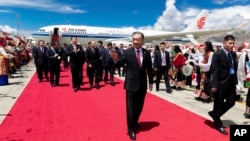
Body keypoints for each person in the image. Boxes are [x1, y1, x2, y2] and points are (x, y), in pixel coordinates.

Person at [111, 31, 153, 141]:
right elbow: (120, 63)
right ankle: (131, 129)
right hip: (131, 84)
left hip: (143, 84)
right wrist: (115, 60)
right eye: (134, 39)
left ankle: (135, 122)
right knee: (130, 108)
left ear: (142, 41)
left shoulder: (147, 53)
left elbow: (149, 68)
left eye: (138, 40)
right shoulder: (127, 52)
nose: (135, 41)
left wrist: (151, 82)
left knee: (139, 106)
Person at [208, 35, 238, 135]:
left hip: (231, 83)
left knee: (231, 102)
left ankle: (215, 114)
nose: (232, 45)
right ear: (224, 43)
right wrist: (214, 85)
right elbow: (215, 71)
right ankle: (218, 124)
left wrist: (236, 82)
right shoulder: (218, 54)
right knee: (218, 104)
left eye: (233, 43)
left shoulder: (233, 54)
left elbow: (234, 69)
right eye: (230, 43)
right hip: (221, 84)